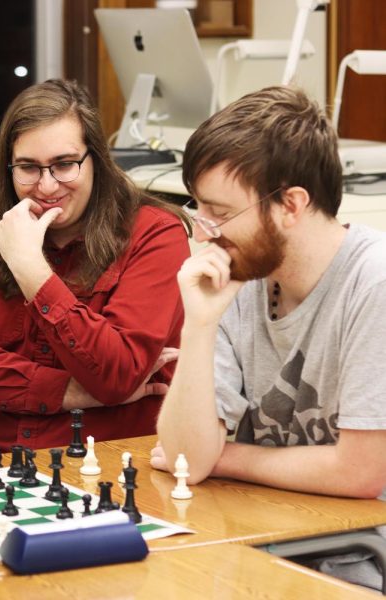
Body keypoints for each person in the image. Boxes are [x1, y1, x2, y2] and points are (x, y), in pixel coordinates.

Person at [154, 86, 386, 590]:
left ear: (291, 204)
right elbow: (185, 460)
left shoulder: (375, 281)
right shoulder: (240, 276)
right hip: (263, 534)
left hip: (362, 553)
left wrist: (226, 456)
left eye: (219, 211)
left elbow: (360, 473)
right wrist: (200, 323)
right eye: (197, 207)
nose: (203, 231)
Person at [0, 79, 191, 460]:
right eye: (28, 167)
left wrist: (32, 271)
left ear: (96, 161)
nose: (46, 185)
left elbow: (119, 374)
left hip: (103, 462)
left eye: (64, 164)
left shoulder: (155, 234)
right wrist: (76, 392)